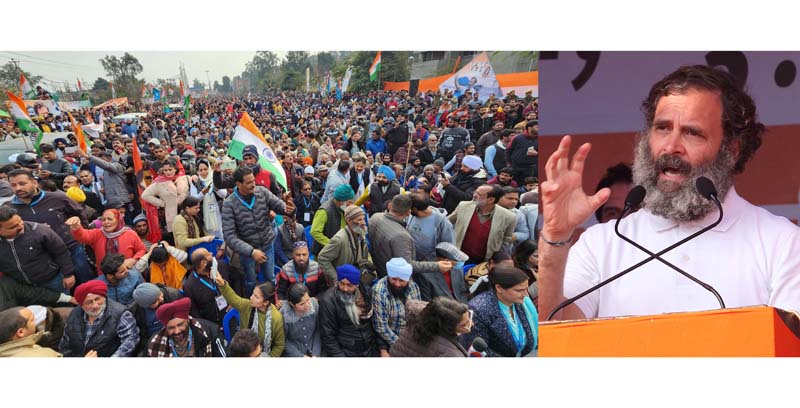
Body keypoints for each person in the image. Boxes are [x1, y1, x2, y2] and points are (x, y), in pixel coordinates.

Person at [540, 64, 800, 321]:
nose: (671, 146)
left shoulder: (783, 243)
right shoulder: (602, 242)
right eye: (662, 128)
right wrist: (555, 237)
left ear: (731, 149)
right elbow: (556, 332)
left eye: (692, 132)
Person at [8, 169, 93, 285]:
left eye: (22, 184)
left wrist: (80, 233)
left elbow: (79, 213)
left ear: (34, 182)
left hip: (72, 248)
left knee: (85, 281)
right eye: (13, 185)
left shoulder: (58, 198)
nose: (18, 188)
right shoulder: (10, 209)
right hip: (43, 256)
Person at [222, 165, 295, 295]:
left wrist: (288, 209)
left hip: (267, 245)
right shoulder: (229, 204)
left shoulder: (262, 192)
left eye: (253, 180)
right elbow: (229, 236)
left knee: (270, 277)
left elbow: (278, 205)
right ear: (238, 184)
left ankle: (271, 300)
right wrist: (251, 252)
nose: (253, 184)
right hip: (247, 250)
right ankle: (253, 304)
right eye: (249, 182)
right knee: (250, 281)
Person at [369, 194, 453, 279]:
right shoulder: (401, 234)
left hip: (425, 270)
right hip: (398, 275)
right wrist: (436, 266)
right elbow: (407, 265)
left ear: (390, 205)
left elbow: (448, 247)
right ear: (409, 212)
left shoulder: (375, 217)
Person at [463, 265, 537, 357]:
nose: (526, 294)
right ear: (499, 288)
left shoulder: (520, 302)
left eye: (526, 288)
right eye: (519, 290)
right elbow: (478, 350)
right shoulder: (478, 309)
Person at [0, 206, 75, 294]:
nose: (20, 226)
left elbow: (61, 252)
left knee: (64, 307)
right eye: (13, 227)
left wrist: (68, 274)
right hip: (23, 288)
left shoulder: (39, 231)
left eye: (20, 221)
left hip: (52, 281)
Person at [59, 280, 140, 357]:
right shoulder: (75, 313)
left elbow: (130, 340)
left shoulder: (121, 314)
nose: (95, 305)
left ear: (104, 297)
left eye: (97, 299)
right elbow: (65, 342)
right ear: (81, 304)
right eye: (89, 302)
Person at [213, 274, 285, 357]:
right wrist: (222, 284)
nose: (251, 297)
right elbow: (233, 299)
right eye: (253, 294)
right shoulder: (248, 306)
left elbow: (279, 345)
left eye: (256, 297)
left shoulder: (276, 317)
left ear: (266, 302)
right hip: (245, 350)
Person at [318, 264, 379, 357]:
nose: (345, 289)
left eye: (349, 285)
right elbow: (328, 336)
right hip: (346, 350)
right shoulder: (329, 300)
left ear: (357, 285)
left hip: (370, 348)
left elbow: (374, 324)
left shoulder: (366, 293)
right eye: (342, 284)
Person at [449, 184, 517, 264]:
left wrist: (494, 253)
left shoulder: (509, 217)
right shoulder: (463, 206)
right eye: (475, 192)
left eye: (479, 194)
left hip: (484, 262)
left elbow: (506, 238)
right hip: (458, 257)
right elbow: (447, 222)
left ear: (490, 200)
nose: (474, 195)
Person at [67, 209, 146, 276]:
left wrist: (133, 260)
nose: (106, 222)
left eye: (110, 219)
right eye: (103, 219)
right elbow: (83, 236)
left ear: (118, 220)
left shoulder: (130, 233)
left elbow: (141, 249)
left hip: (128, 273)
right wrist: (76, 227)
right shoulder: (97, 234)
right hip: (105, 276)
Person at [390, 297, 472, 358]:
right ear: (447, 327)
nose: (471, 325)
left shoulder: (414, 323)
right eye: (464, 325)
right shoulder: (451, 354)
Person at [371, 257, 421, 354]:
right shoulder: (379, 292)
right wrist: (403, 345)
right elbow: (381, 327)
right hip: (391, 341)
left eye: (401, 280)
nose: (397, 284)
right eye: (393, 279)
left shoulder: (413, 287)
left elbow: (418, 315)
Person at [147, 297, 224, 357]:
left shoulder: (211, 331)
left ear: (187, 320)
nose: (177, 331)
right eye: (171, 328)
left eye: (180, 325)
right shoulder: (155, 344)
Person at [130, 282, 184, 353]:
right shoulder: (136, 313)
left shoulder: (173, 295)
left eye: (160, 294)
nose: (161, 299)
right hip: (156, 340)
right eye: (156, 301)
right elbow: (141, 336)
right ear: (145, 305)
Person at [141, 159, 189, 235]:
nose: (168, 172)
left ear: (175, 169)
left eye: (170, 170)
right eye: (165, 170)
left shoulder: (182, 177)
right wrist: (162, 203)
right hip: (172, 213)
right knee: (176, 235)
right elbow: (145, 195)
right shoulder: (159, 182)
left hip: (187, 211)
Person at [182, 248, 227, 326]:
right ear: (203, 263)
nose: (211, 253)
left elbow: (235, 281)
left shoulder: (221, 266)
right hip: (211, 323)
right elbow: (194, 311)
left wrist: (232, 302)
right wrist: (207, 326)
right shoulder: (190, 286)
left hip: (228, 314)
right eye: (208, 255)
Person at [406, 192, 456, 261]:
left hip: (430, 265)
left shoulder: (441, 222)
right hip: (412, 260)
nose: (407, 211)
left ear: (415, 209)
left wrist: (435, 259)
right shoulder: (411, 215)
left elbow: (449, 246)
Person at [310, 184, 354, 256]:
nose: (351, 204)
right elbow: (315, 232)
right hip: (324, 252)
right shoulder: (324, 211)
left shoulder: (342, 208)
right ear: (341, 201)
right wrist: (332, 244)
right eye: (349, 202)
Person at [280, 283, 322, 357]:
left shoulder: (314, 304)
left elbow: (317, 330)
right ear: (292, 304)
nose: (307, 305)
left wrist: (316, 353)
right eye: (302, 304)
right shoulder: (284, 315)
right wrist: (300, 356)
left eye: (308, 300)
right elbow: (283, 341)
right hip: (294, 352)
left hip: (313, 348)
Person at [506, 120, 538, 185]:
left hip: (530, 167)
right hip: (515, 166)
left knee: (527, 185)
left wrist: (537, 153)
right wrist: (508, 163)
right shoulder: (517, 137)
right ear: (529, 128)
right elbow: (508, 150)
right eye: (537, 127)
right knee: (513, 184)